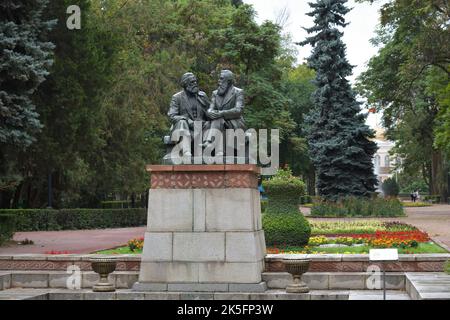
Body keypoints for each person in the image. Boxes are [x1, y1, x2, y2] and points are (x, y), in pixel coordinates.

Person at [201, 70, 247, 156]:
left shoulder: (238, 92)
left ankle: (209, 142)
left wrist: (221, 113)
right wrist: (210, 113)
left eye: (221, 79)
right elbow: (210, 108)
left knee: (219, 119)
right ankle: (218, 151)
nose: (219, 81)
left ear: (229, 81)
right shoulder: (215, 93)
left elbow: (238, 110)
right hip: (218, 122)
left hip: (234, 122)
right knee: (216, 120)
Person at [167, 72, 211, 157]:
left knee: (215, 123)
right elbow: (172, 116)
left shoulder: (202, 95)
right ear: (185, 84)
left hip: (201, 127)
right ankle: (186, 152)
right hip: (185, 128)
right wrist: (186, 120)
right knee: (182, 122)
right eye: (192, 82)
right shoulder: (177, 97)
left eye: (195, 81)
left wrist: (205, 102)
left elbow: (210, 114)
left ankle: (212, 152)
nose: (195, 84)